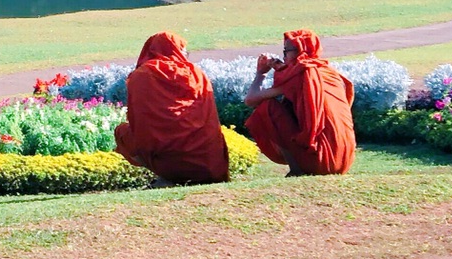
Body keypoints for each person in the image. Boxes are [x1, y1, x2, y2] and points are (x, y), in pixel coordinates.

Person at [113, 31, 229, 184]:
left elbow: (138, 121)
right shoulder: (196, 74)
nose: (185, 54)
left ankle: (167, 175)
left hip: (165, 159)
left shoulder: (141, 76)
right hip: (208, 164)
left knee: (122, 132)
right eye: (183, 50)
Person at [240, 28, 356, 176]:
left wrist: (261, 73)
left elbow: (251, 100)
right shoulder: (330, 72)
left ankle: (297, 169)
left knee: (267, 107)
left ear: (300, 51)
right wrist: (282, 68)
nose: (284, 56)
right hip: (344, 161)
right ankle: (302, 164)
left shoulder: (300, 73)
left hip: (319, 161)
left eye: (286, 51)